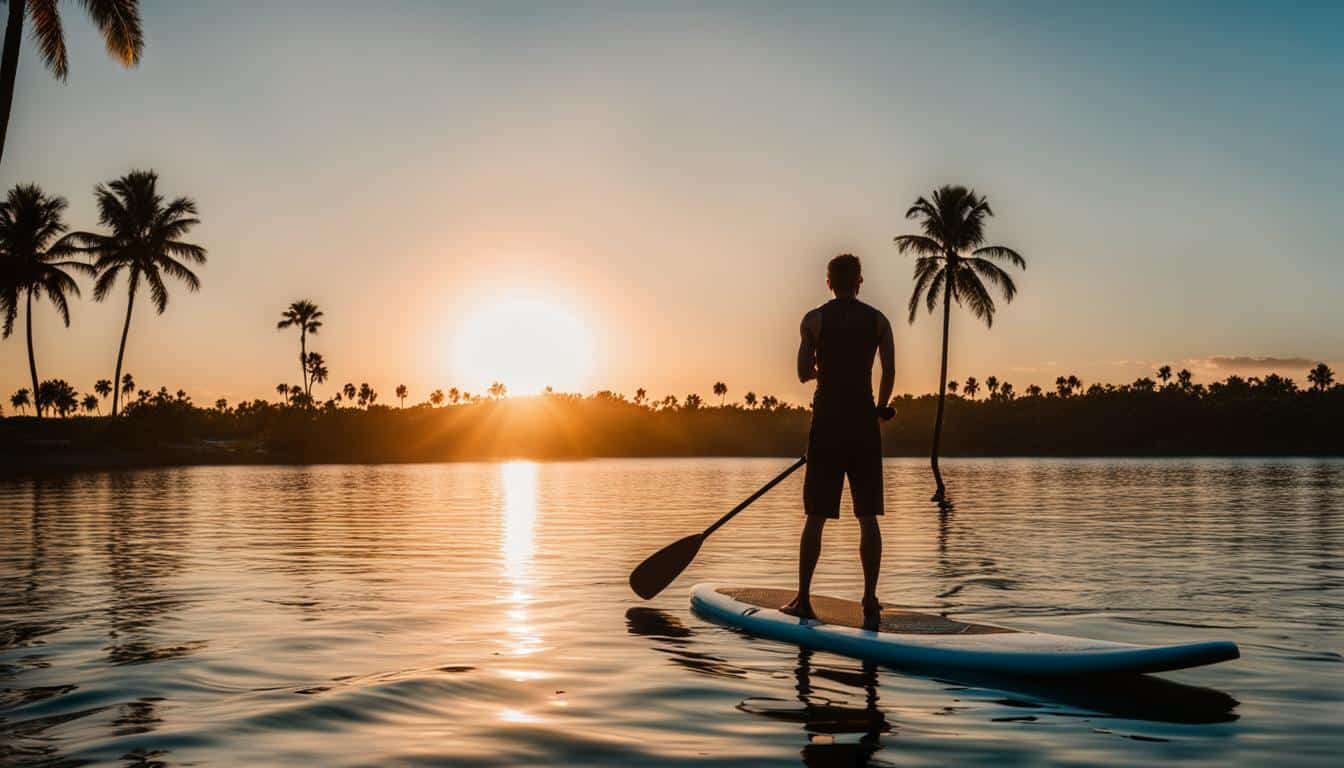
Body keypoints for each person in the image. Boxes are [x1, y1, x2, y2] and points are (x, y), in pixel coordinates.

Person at [781, 254, 895, 630]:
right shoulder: (879, 321)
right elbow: (889, 371)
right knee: (868, 517)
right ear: (860, 282)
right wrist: (879, 409)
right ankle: (869, 600)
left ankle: (803, 599)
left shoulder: (813, 320)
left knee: (815, 517)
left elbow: (801, 373)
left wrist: (822, 370)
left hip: (827, 426)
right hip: (864, 426)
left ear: (828, 282)